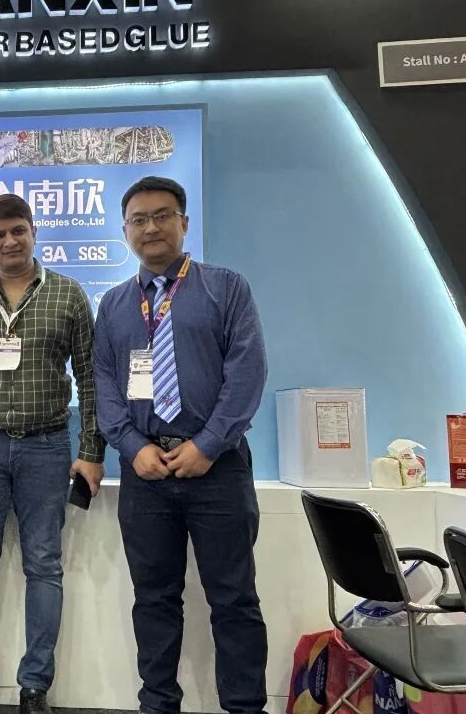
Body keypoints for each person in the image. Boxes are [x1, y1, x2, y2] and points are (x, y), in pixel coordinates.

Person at [93, 176, 269, 714]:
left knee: (234, 600)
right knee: (153, 600)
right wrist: (132, 446)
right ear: (125, 232)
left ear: (184, 223)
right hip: (145, 473)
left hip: (217, 469)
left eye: (162, 215)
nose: (150, 227)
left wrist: (208, 445)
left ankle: (244, 707)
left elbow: (247, 372)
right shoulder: (114, 305)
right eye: (138, 220)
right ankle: (158, 704)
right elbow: (103, 384)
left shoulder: (226, 288)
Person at [0, 193, 105, 714]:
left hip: (47, 447)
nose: (9, 241)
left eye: (18, 231)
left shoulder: (69, 294)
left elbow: (91, 378)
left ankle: (35, 687)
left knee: (44, 566)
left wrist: (92, 449)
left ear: (33, 232)